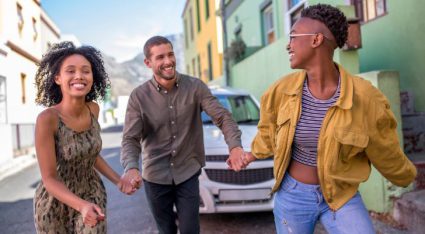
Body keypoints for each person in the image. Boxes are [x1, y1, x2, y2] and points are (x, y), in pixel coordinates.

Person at [227, 4, 417, 234]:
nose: (289, 45)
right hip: (292, 196)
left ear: (316, 40)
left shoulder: (366, 98)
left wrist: (408, 176)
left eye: (294, 37)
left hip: (341, 196)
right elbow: (268, 133)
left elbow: (385, 150)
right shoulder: (280, 92)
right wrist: (249, 155)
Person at [120, 35, 245, 234]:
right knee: (166, 230)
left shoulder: (195, 87)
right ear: (148, 62)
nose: (168, 61)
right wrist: (131, 167)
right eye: (160, 57)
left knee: (190, 230)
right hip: (155, 177)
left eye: (170, 54)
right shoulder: (139, 96)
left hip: (187, 172)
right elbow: (130, 138)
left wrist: (235, 146)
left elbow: (222, 116)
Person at [33, 41, 134, 233]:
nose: (79, 75)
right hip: (55, 203)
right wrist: (80, 205)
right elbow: (49, 178)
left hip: (91, 193)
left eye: (85, 71)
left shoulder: (93, 109)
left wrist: (119, 181)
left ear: (92, 77)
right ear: (57, 78)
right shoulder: (48, 119)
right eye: (70, 71)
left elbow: (90, 154)